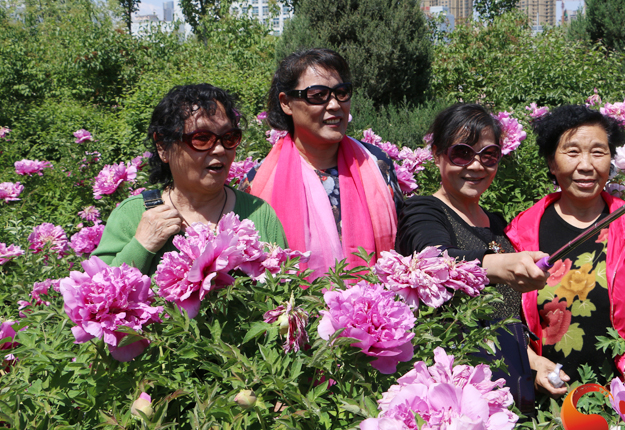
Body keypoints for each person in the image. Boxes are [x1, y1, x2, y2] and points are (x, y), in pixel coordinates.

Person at [396, 103, 550, 411]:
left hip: (512, 379)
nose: (476, 165)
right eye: (462, 153)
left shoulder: (496, 224)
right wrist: (498, 264)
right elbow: (432, 259)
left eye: (488, 155)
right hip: (456, 386)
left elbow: (502, 314)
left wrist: (535, 361)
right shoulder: (424, 211)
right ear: (438, 154)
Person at [505, 104, 625, 398]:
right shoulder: (522, 231)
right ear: (552, 162)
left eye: (598, 152)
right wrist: (534, 365)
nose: (586, 165)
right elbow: (505, 316)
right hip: (548, 401)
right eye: (572, 152)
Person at [94, 84, 287, 275]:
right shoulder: (131, 216)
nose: (220, 149)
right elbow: (93, 295)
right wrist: (141, 245)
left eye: (229, 137)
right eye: (202, 138)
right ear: (163, 147)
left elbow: (288, 293)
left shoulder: (259, 215)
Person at [247, 48, 403, 280]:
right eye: (318, 95)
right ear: (286, 103)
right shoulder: (258, 181)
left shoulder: (376, 164)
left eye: (342, 93)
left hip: (372, 310)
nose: (334, 105)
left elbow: (403, 241)